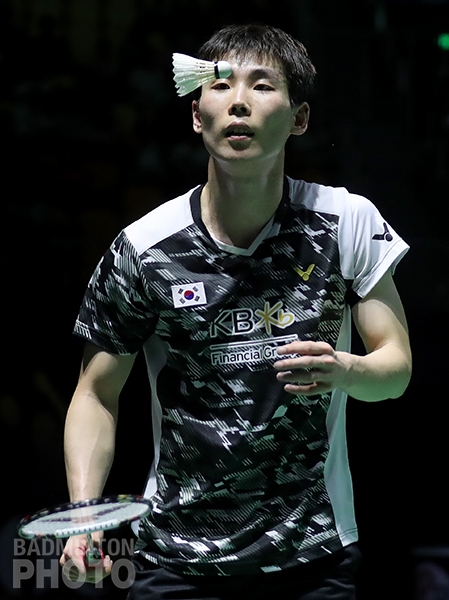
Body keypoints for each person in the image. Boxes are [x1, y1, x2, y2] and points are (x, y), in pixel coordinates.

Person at [60, 23, 412, 600]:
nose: (240, 101)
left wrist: (345, 371)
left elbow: (395, 372)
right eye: (221, 85)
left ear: (299, 118)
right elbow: (95, 394)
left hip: (313, 557)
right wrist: (84, 514)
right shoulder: (144, 249)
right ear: (197, 115)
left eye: (263, 85)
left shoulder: (346, 222)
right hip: (175, 561)